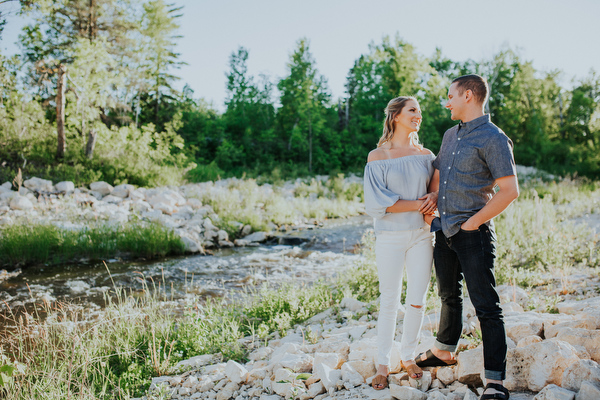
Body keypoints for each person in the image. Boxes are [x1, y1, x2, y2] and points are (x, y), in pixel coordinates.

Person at [414, 75, 519, 400]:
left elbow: (510, 191)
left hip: (473, 233)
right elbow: (439, 173)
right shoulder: (450, 135)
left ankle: (495, 383)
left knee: (486, 306)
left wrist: (473, 224)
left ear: (469, 96)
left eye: (451, 96)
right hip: (443, 229)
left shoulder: (493, 138)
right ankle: (444, 351)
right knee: (448, 296)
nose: (447, 103)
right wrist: (433, 201)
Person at [363, 96, 440, 390]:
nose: (418, 115)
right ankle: (382, 365)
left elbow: (433, 194)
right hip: (390, 238)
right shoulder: (377, 156)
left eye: (419, 110)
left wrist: (431, 199)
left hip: (422, 236)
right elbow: (377, 204)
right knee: (389, 302)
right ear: (395, 116)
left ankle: (408, 356)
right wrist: (418, 205)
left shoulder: (426, 154)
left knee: (417, 300)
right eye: (412, 110)